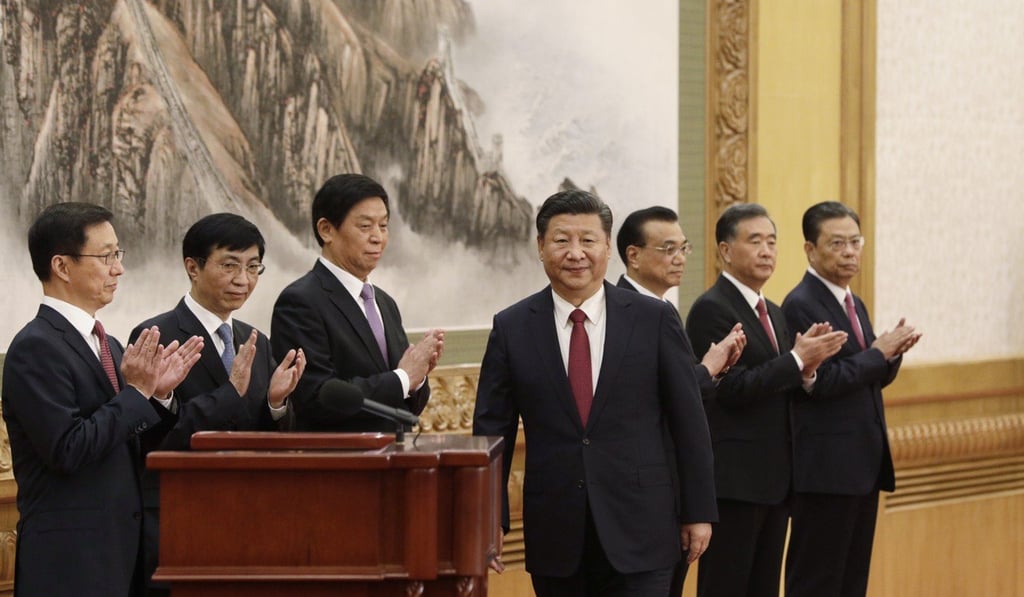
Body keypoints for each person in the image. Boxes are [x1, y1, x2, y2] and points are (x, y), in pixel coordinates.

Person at [473, 190, 717, 596]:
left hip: (644, 530)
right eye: (561, 240)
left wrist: (698, 512)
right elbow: (491, 433)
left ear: (607, 247)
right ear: (540, 246)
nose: (575, 253)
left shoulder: (653, 319)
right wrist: (486, 520)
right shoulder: (513, 327)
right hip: (557, 533)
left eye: (588, 240)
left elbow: (688, 422)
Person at [1, 202, 203, 596]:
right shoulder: (35, 347)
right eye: (106, 256)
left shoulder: (106, 342)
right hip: (70, 559)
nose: (119, 268)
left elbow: (126, 441)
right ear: (62, 266)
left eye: (119, 254)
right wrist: (138, 393)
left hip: (121, 549)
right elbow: (67, 449)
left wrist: (159, 396)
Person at [130, 213, 306, 595]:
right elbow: (155, 440)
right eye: (229, 265)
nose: (243, 280)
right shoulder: (157, 336)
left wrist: (277, 404)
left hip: (248, 517)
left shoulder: (255, 341)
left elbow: (267, 439)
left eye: (253, 267)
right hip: (182, 518)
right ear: (192, 267)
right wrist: (227, 394)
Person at [684, 203, 847, 597]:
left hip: (776, 479)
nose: (766, 251)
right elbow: (728, 389)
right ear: (725, 250)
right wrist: (796, 359)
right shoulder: (711, 308)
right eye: (754, 241)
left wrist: (807, 369)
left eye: (772, 242)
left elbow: (780, 384)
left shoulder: (773, 311)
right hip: (735, 482)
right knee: (727, 586)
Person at [781, 201, 921, 597]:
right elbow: (819, 381)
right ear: (810, 249)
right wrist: (878, 353)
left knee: (851, 581)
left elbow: (862, 375)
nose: (849, 252)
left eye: (855, 242)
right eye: (837, 243)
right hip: (826, 471)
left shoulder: (851, 301)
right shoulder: (802, 303)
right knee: (818, 581)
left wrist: (890, 354)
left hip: (861, 466)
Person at [615, 205, 745, 595]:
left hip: (670, 493)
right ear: (633, 255)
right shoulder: (623, 311)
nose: (679, 258)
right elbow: (656, 400)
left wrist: (710, 370)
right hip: (642, 497)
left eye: (683, 248)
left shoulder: (662, 309)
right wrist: (707, 369)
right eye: (667, 248)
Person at [271, 173, 444, 431]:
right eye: (365, 226)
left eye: (383, 226)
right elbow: (315, 399)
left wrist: (417, 379)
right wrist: (403, 378)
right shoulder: (299, 302)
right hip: (339, 463)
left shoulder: (385, 303)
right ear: (326, 230)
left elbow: (403, 408)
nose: (378, 237)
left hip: (393, 460)